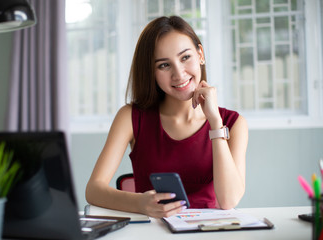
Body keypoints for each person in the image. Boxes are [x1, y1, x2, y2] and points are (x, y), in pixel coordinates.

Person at [86, 16, 248, 218]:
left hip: (211, 232)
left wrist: (215, 123)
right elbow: (93, 189)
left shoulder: (233, 123)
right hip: (153, 232)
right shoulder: (130, 117)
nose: (179, 74)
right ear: (151, 72)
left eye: (185, 57)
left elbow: (228, 200)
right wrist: (140, 203)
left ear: (200, 54)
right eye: (164, 65)